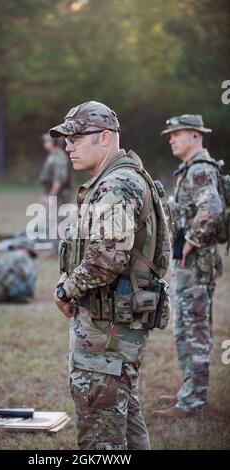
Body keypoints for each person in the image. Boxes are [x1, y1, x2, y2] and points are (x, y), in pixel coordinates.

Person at [51, 101, 170, 449]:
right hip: (114, 327)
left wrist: (66, 291)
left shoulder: (117, 184)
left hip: (108, 332)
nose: (68, 146)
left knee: (101, 434)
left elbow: (108, 257)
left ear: (105, 137)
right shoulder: (119, 178)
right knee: (125, 419)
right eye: (65, 140)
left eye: (75, 137)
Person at [153, 114, 223, 418]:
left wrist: (191, 241)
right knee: (184, 327)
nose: (171, 139)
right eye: (170, 135)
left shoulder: (200, 170)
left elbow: (212, 209)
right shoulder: (190, 170)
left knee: (193, 329)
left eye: (177, 134)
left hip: (196, 263)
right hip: (189, 263)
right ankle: (190, 390)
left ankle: (193, 401)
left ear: (196, 135)